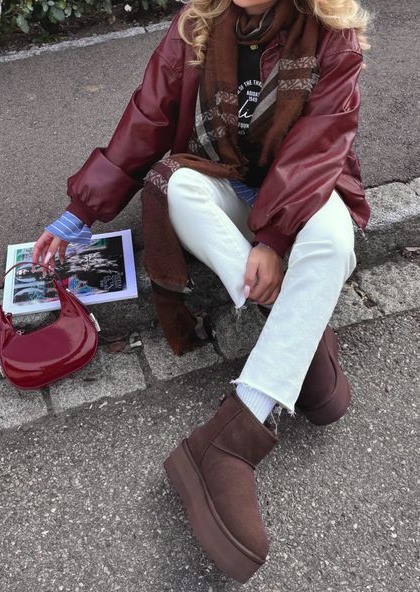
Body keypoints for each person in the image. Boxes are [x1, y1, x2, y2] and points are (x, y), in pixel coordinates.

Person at [32, 0, 371, 583]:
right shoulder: (198, 21)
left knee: (335, 240)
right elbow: (149, 116)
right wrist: (79, 212)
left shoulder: (332, 34)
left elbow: (320, 144)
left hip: (301, 192)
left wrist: (272, 236)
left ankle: (231, 434)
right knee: (180, 187)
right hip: (223, 183)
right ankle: (302, 337)